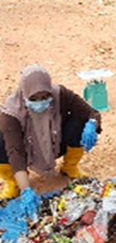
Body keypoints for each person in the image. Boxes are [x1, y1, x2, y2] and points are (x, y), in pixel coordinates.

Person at [0, 65, 101, 200]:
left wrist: (92, 124)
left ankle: (70, 167)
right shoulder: (11, 113)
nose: (40, 102)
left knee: (78, 123)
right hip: (26, 150)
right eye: (34, 98)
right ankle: (14, 183)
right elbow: (15, 151)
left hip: (55, 143)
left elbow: (91, 112)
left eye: (45, 96)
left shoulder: (61, 94)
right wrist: (26, 189)